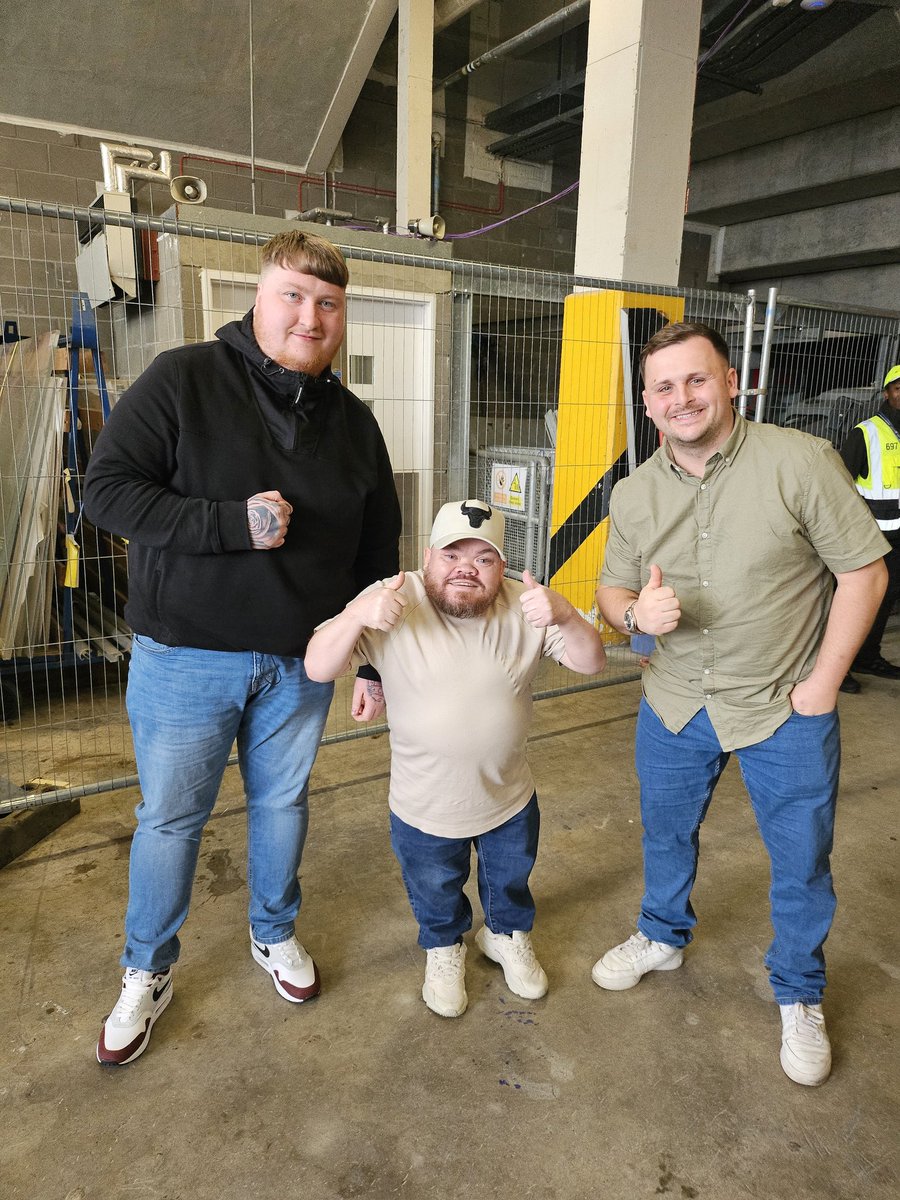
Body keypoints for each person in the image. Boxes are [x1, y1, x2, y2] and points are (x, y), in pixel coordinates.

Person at [83, 229, 401, 1064]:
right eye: (292, 296)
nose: (310, 317)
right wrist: (230, 524)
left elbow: (377, 552)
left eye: (328, 303)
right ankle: (147, 968)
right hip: (186, 656)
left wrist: (372, 658)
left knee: (283, 806)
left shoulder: (355, 423)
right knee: (170, 819)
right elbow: (107, 491)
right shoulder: (184, 380)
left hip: (303, 662)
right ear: (257, 299)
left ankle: (273, 931)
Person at [592, 321, 888, 1087]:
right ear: (647, 404)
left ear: (730, 383)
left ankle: (799, 990)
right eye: (664, 387)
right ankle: (662, 935)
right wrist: (633, 615)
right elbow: (612, 589)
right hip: (674, 704)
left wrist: (823, 685)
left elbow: (863, 574)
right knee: (666, 835)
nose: (681, 398)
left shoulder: (800, 461)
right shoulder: (635, 492)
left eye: (697, 379)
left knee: (800, 861)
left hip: (781, 705)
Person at [304, 500, 606, 1018]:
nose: (466, 568)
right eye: (451, 555)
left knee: (509, 876)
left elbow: (591, 662)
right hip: (423, 802)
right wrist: (356, 615)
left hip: (508, 795)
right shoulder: (394, 598)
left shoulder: (525, 605)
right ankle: (444, 947)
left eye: (483, 559)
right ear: (427, 557)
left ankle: (505, 935)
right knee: (434, 885)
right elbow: (317, 666)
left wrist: (567, 616)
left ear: (502, 567)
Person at [837, 364, 900, 691]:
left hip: (898, 538)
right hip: (868, 538)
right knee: (852, 602)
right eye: (899, 388)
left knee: (886, 599)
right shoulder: (867, 432)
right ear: (887, 393)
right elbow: (840, 485)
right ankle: (840, 667)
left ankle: (867, 657)